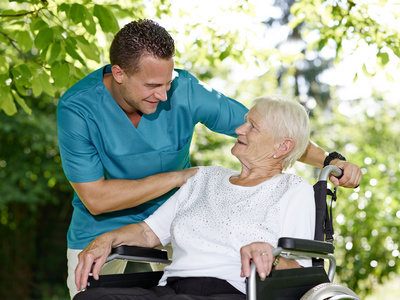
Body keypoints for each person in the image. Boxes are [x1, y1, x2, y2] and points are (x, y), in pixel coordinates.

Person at [57, 19, 362, 298]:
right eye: (152, 86)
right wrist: (180, 178)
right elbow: (97, 199)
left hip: (207, 270)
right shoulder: (78, 108)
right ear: (119, 73)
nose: (164, 95)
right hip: (105, 224)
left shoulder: (186, 90)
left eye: (168, 82)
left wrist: (329, 160)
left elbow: (277, 133)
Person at [73, 95, 317, 300]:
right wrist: (106, 238)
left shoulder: (293, 189)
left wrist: (270, 257)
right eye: (244, 122)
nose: (238, 130)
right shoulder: (204, 178)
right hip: (170, 290)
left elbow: (300, 268)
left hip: (234, 292)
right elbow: (148, 233)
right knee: (90, 297)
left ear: (282, 147)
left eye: (252, 126)